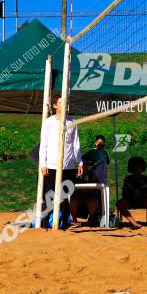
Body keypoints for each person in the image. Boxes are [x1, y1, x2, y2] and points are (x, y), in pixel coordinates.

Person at [38, 95, 84, 229]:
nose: (65, 104)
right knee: (49, 197)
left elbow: (76, 145)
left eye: (66, 102)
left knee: (65, 197)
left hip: (68, 166)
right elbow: (44, 145)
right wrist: (43, 164)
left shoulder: (72, 122)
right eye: (61, 102)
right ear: (55, 106)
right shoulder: (48, 122)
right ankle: (45, 225)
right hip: (51, 166)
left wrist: (79, 162)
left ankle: (64, 225)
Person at [116, 156, 147, 228]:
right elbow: (124, 193)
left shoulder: (146, 179)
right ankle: (134, 223)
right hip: (131, 200)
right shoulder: (128, 179)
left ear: (142, 167)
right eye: (135, 166)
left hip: (143, 200)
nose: (137, 168)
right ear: (132, 167)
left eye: (139, 166)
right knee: (119, 203)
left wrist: (141, 193)